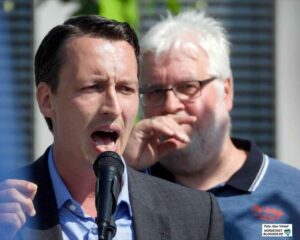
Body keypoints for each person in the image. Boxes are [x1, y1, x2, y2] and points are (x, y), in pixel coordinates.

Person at [0, 15, 224, 240]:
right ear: (47, 99)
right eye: (93, 87)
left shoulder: (196, 216)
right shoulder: (6, 206)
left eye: (126, 89)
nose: (113, 107)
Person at [124, 10, 300, 239]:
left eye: (188, 87)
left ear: (226, 91)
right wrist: (122, 166)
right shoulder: (125, 189)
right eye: (155, 91)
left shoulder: (290, 193)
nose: (170, 105)